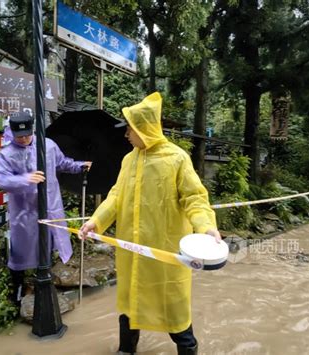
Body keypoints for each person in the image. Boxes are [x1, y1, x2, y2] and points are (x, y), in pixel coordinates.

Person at [79, 92, 221, 355]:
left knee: (174, 312)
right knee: (130, 305)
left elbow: (195, 199)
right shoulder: (128, 160)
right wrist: (95, 222)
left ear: (144, 128)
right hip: (132, 252)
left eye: (129, 129)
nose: (126, 135)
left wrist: (206, 228)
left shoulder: (177, 159)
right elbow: (116, 197)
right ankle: (126, 350)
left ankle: (188, 350)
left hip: (164, 254)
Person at [0, 111, 91, 306]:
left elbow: (62, 163)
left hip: (49, 207)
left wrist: (79, 166)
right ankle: (18, 290)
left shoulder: (47, 146)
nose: (23, 139)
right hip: (24, 212)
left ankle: (43, 285)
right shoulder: (7, 153)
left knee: (46, 247)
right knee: (20, 253)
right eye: (18, 136)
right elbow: (1, 180)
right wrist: (25, 179)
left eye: (26, 135)